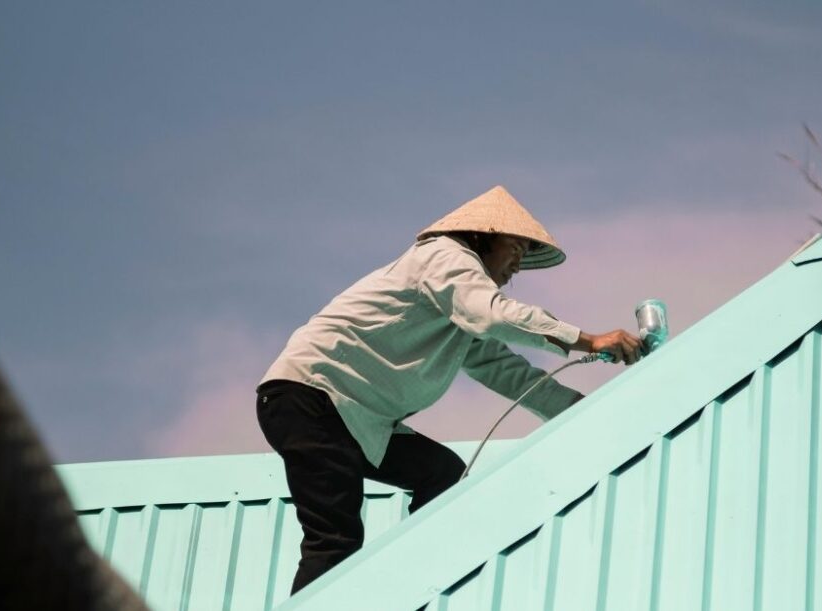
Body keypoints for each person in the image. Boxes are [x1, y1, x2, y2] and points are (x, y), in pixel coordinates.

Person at [256, 185, 642, 594]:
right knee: (334, 540)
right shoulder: (444, 256)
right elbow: (493, 315)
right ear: (481, 237)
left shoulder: (459, 307)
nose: (516, 267)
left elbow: (507, 371)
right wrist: (589, 339)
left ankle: (406, 590)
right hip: (310, 397)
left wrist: (584, 412)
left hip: (355, 417)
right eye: (514, 250)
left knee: (441, 474)